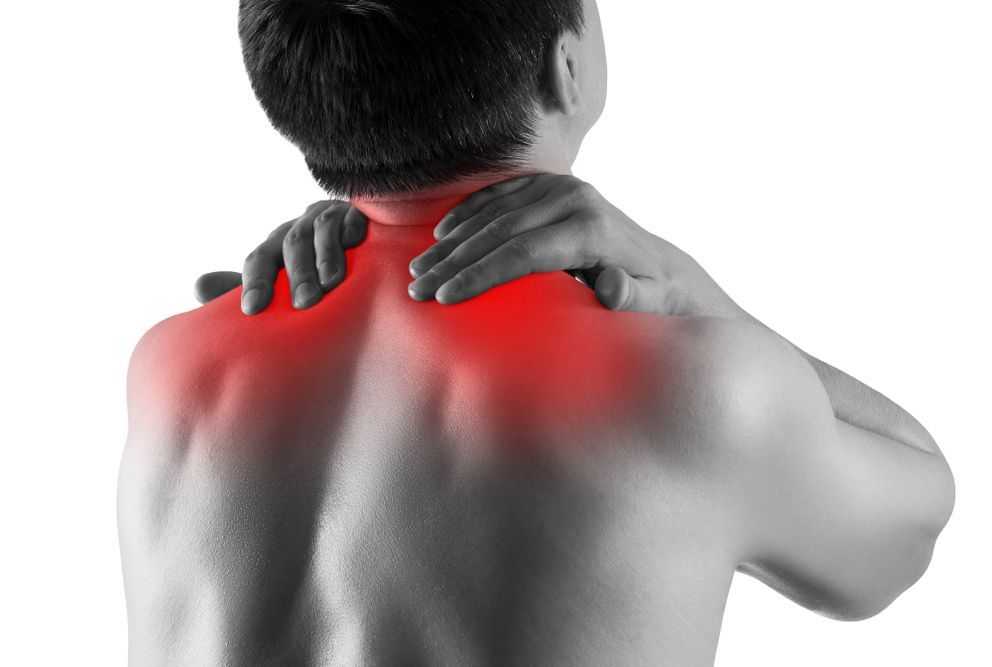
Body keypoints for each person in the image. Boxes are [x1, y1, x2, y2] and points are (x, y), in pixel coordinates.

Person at [119, 1, 955, 664]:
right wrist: (681, 285)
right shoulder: (689, 389)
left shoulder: (175, 370)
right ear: (566, 68)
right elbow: (913, 522)